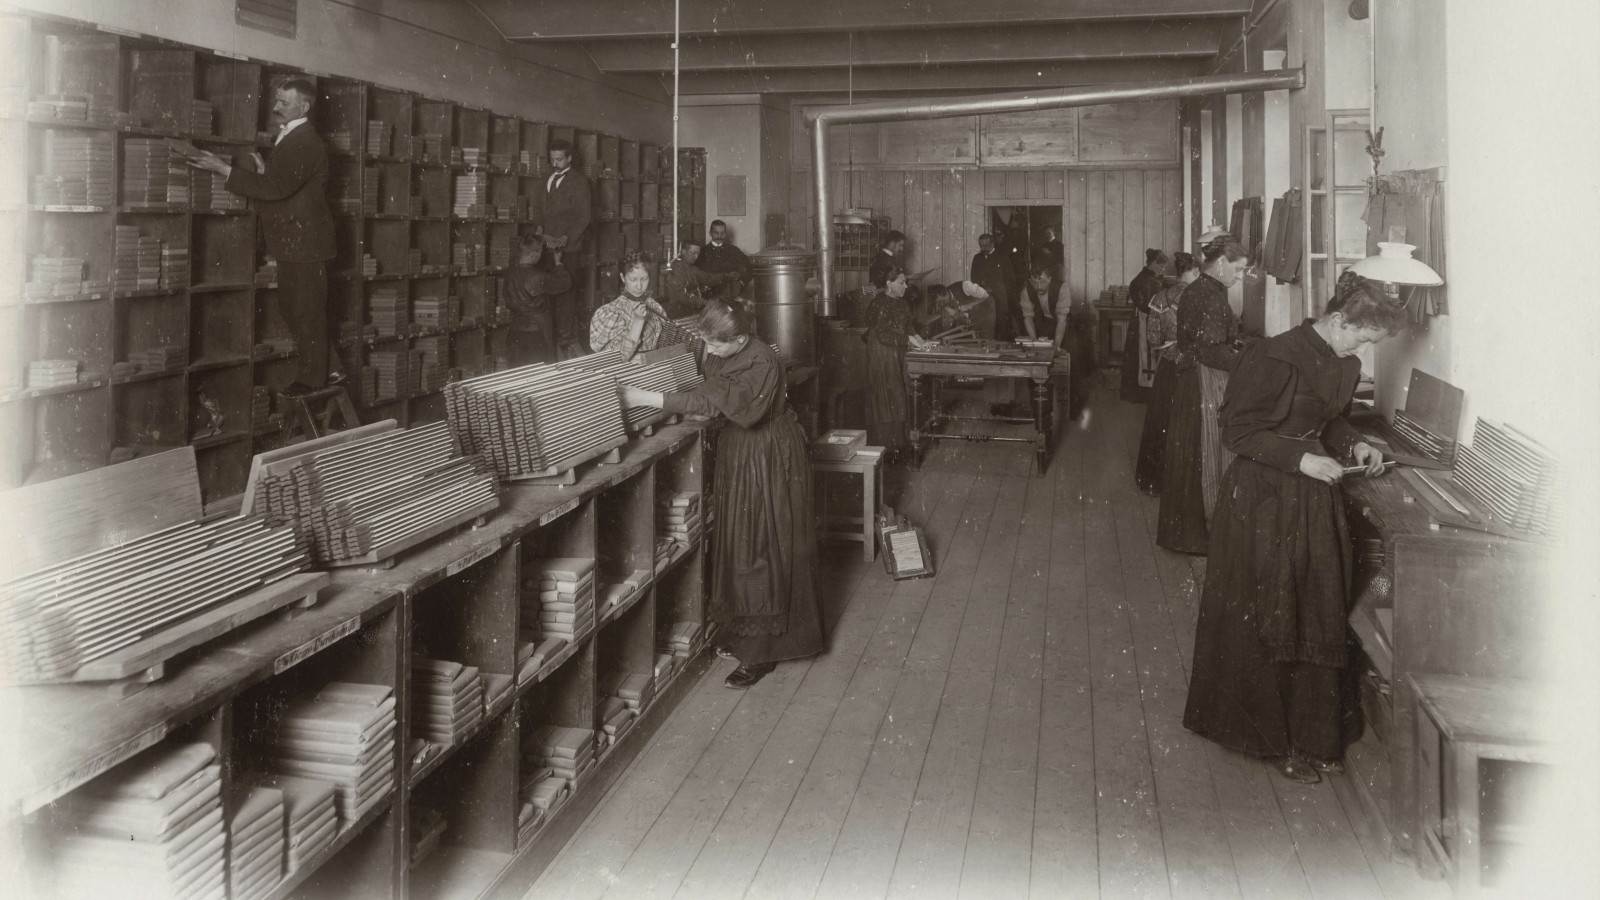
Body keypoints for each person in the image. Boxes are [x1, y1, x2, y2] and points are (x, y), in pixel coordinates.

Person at [1182, 272, 1407, 783]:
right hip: (1263, 496)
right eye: (1362, 339)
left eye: (1372, 346)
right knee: (1272, 608)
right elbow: (1236, 431)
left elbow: (1328, 422)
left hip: (1309, 498)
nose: (1364, 354)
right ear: (1336, 319)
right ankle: (1267, 737)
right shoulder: (1274, 355)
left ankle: (1307, 735)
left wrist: (1355, 444)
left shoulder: (1344, 362)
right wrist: (1301, 461)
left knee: (1312, 605)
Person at [620, 301, 823, 689]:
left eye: (715, 345)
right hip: (741, 449)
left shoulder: (762, 362)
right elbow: (711, 385)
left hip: (766, 454)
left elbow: (710, 399)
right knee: (739, 540)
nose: (708, 351)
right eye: (706, 342)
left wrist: (643, 398)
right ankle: (745, 634)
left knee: (761, 544)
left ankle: (764, 651)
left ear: (741, 338)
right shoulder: (723, 347)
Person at [191, 79, 336, 396]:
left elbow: (276, 190)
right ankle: (331, 368)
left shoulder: (305, 141)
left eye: (284, 102)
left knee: (303, 311)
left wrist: (221, 169)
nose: (275, 107)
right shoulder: (293, 137)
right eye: (277, 100)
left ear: (304, 107)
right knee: (297, 308)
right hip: (296, 242)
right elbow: (283, 184)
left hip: (305, 243)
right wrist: (264, 173)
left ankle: (314, 379)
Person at [1157, 236, 1255, 554]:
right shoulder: (1210, 297)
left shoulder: (1200, 289)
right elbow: (1210, 352)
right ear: (1222, 263)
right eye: (1238, 270)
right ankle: (1203, 537)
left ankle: (1186, 535)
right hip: (1204, 382)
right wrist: (1248, 359)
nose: (1239, 276)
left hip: (1191, 381)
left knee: (1192, 456)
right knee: (1207, 455)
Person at [1135, 252, 1198, 494]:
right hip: (1194, 368)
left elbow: (1153, 339)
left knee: (1162, 420)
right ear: (1193, 272)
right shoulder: (1200, 296)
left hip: (1169, 369)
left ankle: (1154, 482)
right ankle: (1185, 485)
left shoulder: (1160, 297)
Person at [862, 265, 935, 456]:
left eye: (906, 282)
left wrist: (920, 340)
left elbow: (909, 326)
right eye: (901, 282)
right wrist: (909, 340)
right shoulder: (879, 303)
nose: (905, 286)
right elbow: (883, 334)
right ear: (888, 284)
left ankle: (900, 443)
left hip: (897, 352)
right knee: (887, 396)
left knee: (900, 393)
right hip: (882, 354)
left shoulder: (902, 303)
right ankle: (886, 446)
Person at [534, 138, 592, 358]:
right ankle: (549, 344)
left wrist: (567, 238)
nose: (555, 163)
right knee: (546, 293)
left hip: (568, 249)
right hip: (544, 247)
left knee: (566, 295)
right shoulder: (545, 179)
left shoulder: (579, 181)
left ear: (569, 158)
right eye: (552, 159)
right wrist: (539, 228)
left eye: (559, 159)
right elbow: (538, 208)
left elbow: (584, 216)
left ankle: (565, 343)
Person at [504, 232, 573, 367]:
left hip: (514, 332)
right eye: (541, 252)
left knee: (517, 376)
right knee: (539, 377)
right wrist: (558, 263)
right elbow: (565, 283)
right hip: (536, 334)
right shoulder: (537, 276)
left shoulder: (509, 273)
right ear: (534, 255)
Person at [589, 253, 668, 359]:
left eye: (644, 279)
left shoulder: (654, 306)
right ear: (622, 277)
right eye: (633, 279)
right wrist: (638, 321)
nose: (639, 286)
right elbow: (619, 358)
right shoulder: (611, 312)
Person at [1121, 248, 1171, 403]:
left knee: (1151, 356)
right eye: (1161, 266)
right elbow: (1144, 305)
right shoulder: (1138, 281)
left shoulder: (1156, 279)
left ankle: (1151, 392)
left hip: (1152, 321)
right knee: (1141, 358)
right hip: (1142, 323)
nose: (1162, 270)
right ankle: (1141, 394)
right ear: (1153, 263)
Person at [661, 240, 734, 319]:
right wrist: (705, 302)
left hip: (691, 311)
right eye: (693, 253)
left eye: (698, 254)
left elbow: (708, 278)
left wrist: (727, 276)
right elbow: (681, 296)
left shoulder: (693, 269)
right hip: (678, 313)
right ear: (683, 251)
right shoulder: (676, 269)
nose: (696, 257)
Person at [968, 232, 1012, 341]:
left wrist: (1001, 290)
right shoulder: (977, 258)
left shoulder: (1002, 257)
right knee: (985, 321)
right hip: (983, 296)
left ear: (993, 244)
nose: (983, 248)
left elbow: (1009, 278)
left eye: (986, 246)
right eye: (981, 246)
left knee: (1001, 321)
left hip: (999, 296)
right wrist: (982, 289)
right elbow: (974, 278)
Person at [699, 219, 751, 300]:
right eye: (716, 233)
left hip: (731, 296)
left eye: (722, 233)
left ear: (725, 234)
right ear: (710, 233)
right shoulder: (701, 252)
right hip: (708, 297)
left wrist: (742, 283)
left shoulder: (734, 250)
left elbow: (748, 267)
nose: (719, 236)